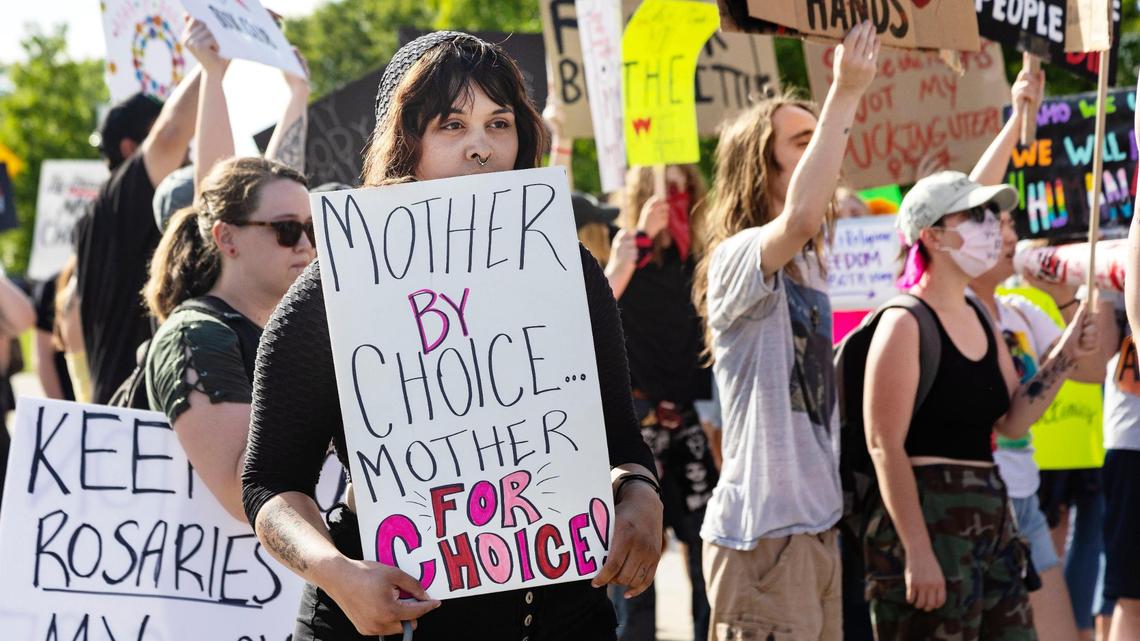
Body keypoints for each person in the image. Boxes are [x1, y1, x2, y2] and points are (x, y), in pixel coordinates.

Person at [242, 32, 664, 640]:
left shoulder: (568, 270)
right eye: (451, 125)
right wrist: (337, 573)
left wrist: (642, 495)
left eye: (499, 123)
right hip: (395, 621)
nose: (480, 147)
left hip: (564, 617)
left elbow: (620, 442)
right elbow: (270, 484)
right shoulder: (333, 290)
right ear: (403, 143)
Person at [691, 21, 880, 641]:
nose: (825, 146)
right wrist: (845, 91)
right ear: (761, 165)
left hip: (816, 530)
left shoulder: (813, 265)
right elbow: (799, 215)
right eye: (803, 140)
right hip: (763, 544)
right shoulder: (737, 257)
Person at [862, 170, 1098, 641]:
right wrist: (917, 550)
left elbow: (1012, 420)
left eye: (991, 213)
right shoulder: (903, 322)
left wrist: (1065, 357)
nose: (991, 226)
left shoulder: (982, 320)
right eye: (974, 215)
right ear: (931, 236)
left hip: (992, 520)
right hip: (931, 518)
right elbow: (883, 443)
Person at [142, 18, 315, 523]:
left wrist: (297, 95)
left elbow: (274, 188)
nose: (306, 245)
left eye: (313, 229)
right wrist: (213, 77)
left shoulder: (285, 320)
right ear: (226, 238)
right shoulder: (199, 334)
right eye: (287, 232)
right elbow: (248, 493)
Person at [608, 164, 717, 641]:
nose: (671, 196)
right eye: (662, 186)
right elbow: (597, 305)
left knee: (704, 547)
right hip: (639, 423)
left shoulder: (703, 260)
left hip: (693, 423)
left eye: (681, 188)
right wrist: (638, 241)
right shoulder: (624, 248)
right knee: (634, 555)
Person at [74, 35, 202, 404]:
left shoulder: (108, 215)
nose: (189, 148)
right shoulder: (115, 204)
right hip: (127, 414)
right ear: (132, 149)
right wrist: (218, 53)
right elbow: (170, 134)